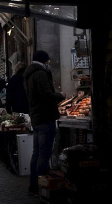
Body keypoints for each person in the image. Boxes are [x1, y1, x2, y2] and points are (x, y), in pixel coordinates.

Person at [23, 50, 65, 196]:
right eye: (48, 61)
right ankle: (41, 188)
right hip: (45, 117)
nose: (49, 64)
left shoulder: (29, 74)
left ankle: (34, 187)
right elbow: (46, 96)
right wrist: (60, 95)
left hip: (36, 117)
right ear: (44, 61)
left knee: (37, 154)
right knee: (43, 155)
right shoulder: (40, 74)